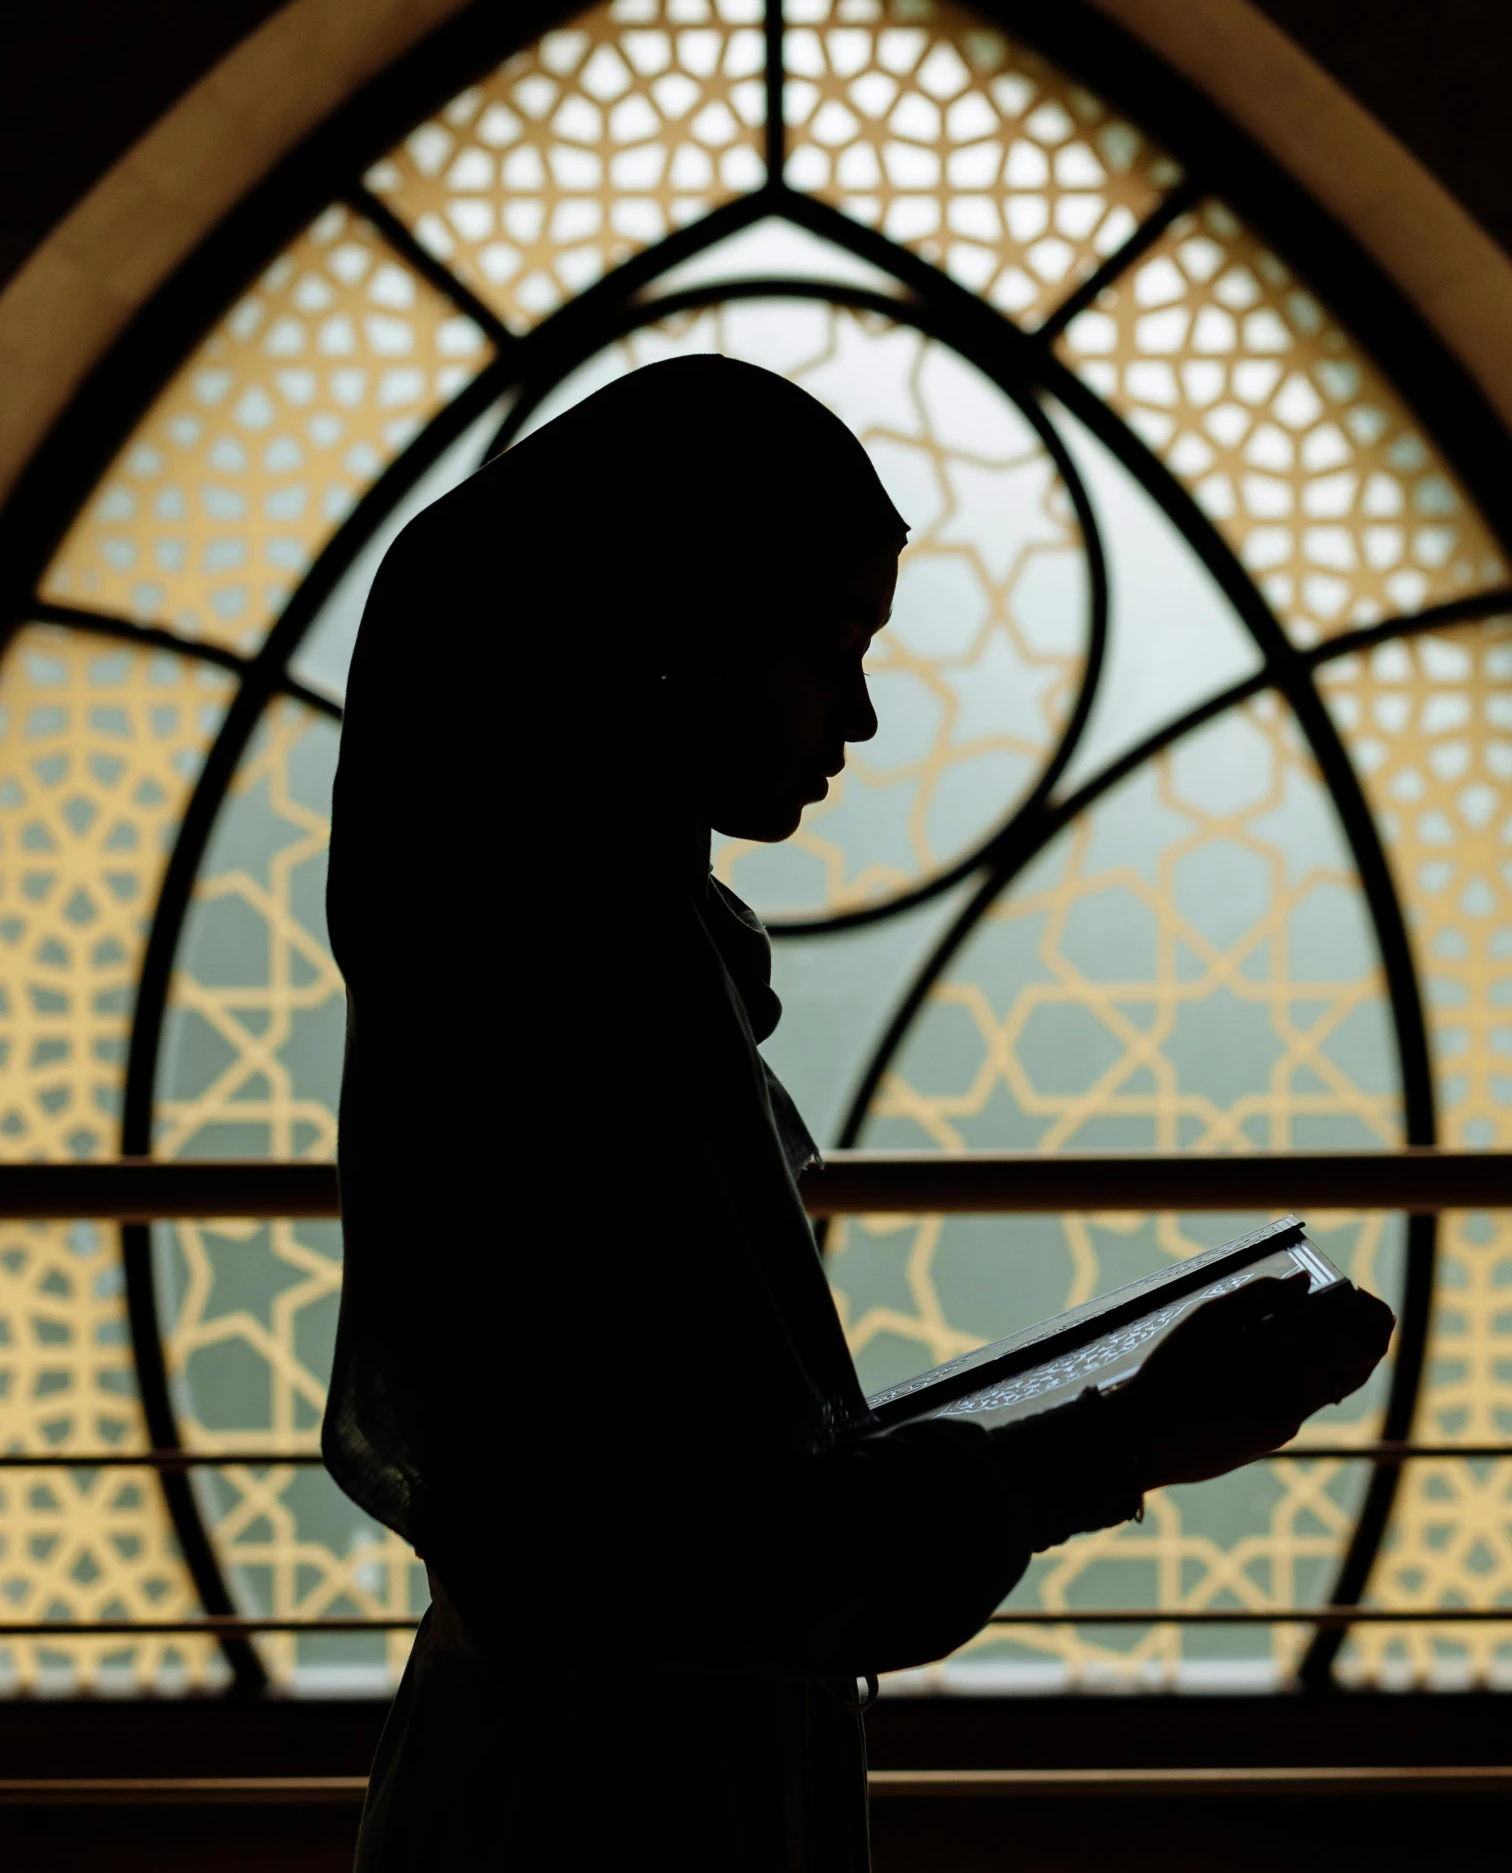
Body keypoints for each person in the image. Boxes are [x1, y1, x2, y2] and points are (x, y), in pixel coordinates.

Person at [322, 356, 1392, 1870]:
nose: (867, 714)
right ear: (667, 649)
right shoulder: (572, 1011)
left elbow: (682, 1503)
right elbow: (671, 1558)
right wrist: (1124, 1430)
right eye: (826, 647)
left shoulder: (555, 976)